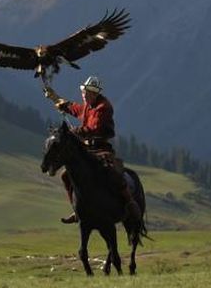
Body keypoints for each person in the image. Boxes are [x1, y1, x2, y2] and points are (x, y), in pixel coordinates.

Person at [44, 76, 141, 224]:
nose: (83, 95)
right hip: (87, 149)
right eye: (83, 92)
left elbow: (93, 128)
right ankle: (77, 210)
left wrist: (75, 131)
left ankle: (130, 202)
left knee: (111, 171)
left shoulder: (104, 107)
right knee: (65, 175)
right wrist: (56, 99)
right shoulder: (89, 105)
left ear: (94, 94)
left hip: (101, 148)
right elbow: (75, 109)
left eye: (86, 93)